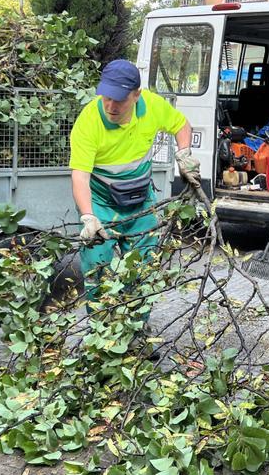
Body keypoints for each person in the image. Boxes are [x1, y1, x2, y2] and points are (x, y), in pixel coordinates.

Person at [69, 59, 199, 312]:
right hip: (101, 203)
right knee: (97, 270)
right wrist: (88, 217)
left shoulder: (151, 105)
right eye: (107, 96)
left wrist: (184, 154)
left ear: (137, 95)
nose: (111, 105)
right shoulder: (89, 121)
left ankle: (135, 334)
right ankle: (101, 339)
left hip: (140, 198)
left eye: (119, 99)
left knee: (143, 270)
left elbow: (181, 125)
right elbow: (80, 176)